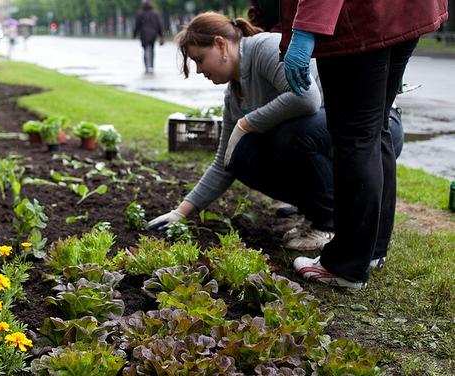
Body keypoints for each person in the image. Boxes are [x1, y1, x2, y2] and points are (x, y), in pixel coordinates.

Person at [147, 12, 404, 254]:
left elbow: (307, 99)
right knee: (240, 156)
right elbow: (223, 162)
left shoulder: (265, 48)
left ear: (221, 44)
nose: (200, 70)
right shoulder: (235, 96)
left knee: (290, 135)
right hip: (329, 138)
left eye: (199, 59)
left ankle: (328, 223)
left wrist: (247, 123)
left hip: (371, 129)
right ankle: (317, 211)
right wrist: (181, 212)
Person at [280, 1, 448, 290]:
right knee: (374, 129)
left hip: (359, 18)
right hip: (403, 11)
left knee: (355, 137)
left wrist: (306, 27)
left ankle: (346, 265)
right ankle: (371, 252)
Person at [133, 0, 164, 74]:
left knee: (145, 50)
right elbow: (159, 25)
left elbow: (137, 25)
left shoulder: (140, 14)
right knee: (152, 50)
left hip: (144, 35)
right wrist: (161, 36)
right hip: (153, 35)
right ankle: (152, 66)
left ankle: (147, 66)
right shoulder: (155, 13)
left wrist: (134, 34)